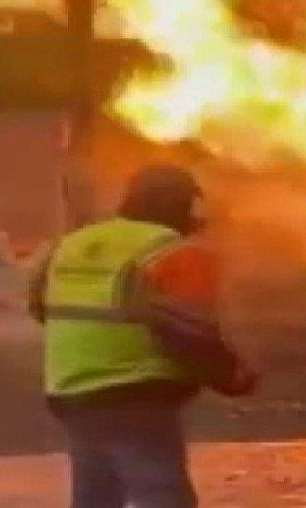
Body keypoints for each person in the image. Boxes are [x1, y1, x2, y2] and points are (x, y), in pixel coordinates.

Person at [29, 164, 256, 508]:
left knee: (96, 494)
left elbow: (39, 305)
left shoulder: (70, 243)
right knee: (161, 492)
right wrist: (232, 376)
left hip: (69, 388)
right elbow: (191, 334)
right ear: (184, 206)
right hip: (137, 390)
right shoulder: (174, 252)